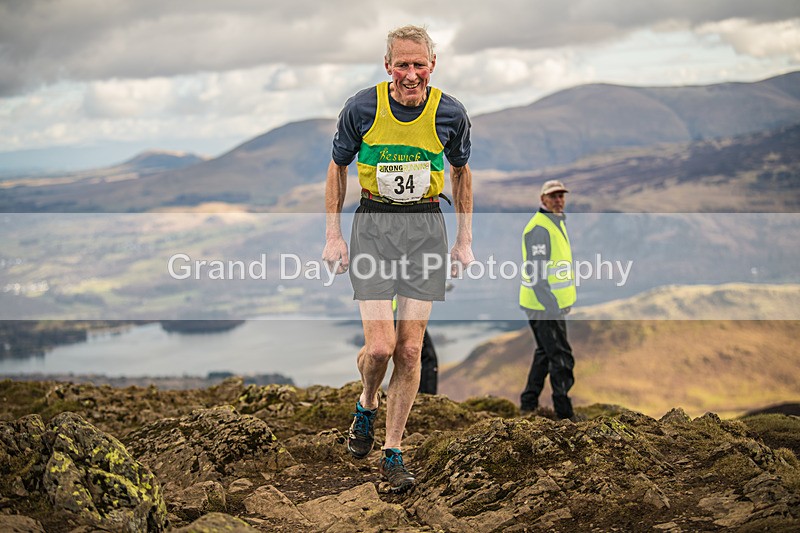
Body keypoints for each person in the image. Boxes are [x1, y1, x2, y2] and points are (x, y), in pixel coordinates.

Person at [322, 25, 473, 492]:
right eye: (402, 64)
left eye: (419, 64)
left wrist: (464, 239)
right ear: (388, 66)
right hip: (372, 226)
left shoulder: (450, 112)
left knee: (410, 350)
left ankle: (393, 452)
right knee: (382, 347)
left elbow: (461, 172)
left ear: (432, 65)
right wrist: (333, 234)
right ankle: (366, 403)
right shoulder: (362, 107)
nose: (411, 74)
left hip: (426, 227)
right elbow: (337, 166)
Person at [518, 180, 577, 420]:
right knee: (561, 356)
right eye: (553, 197)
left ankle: (528, 403)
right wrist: (552, 306)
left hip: (546, 304)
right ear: (543, 200)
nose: (558, 200)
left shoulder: (554, 222)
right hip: (544, 306)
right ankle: (565, 414)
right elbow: (537, 273)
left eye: (561, 196)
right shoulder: (541, 228)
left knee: (545, 352)